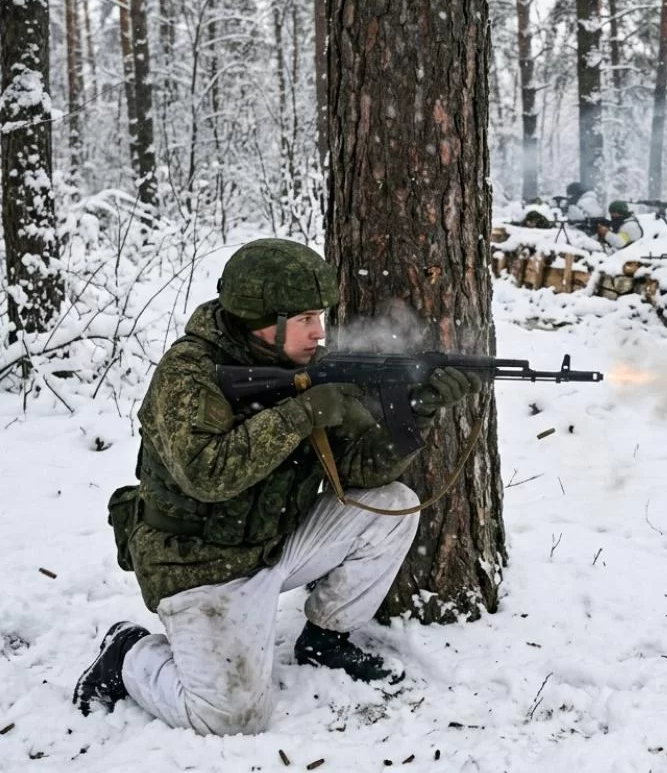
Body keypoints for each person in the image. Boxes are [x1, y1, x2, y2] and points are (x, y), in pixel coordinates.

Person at [73, 238, 479, 736]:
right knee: (230, 720)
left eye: (321, 316)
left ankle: (326, 638)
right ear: (261, 318)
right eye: (305, 318)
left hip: (271, 545)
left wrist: (417, 413)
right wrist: (303, 412)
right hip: (198, 564)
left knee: (392, 505)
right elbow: (206, 474)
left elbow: (360, 473)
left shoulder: (306, 369)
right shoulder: (189, 372)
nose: (319, 331)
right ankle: (127, 653)